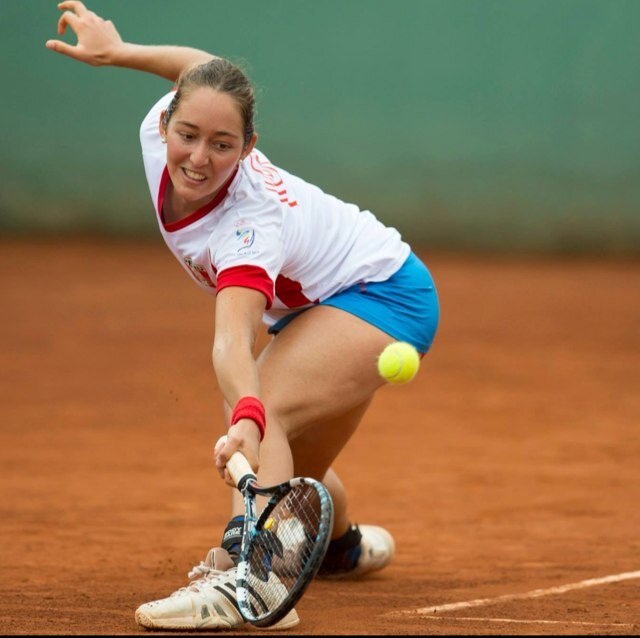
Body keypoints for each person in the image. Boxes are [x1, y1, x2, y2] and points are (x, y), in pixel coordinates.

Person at [47, 1, 440, 631]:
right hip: (316, 304)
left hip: (382, 294)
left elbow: (233, 341)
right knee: (295, 473)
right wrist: (118, 53)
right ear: (169, 120)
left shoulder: (248, 224)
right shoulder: (160, 129)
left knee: (271, 411)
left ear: (248, 145)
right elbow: (204, 68)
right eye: (189, 134)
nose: (200, 157)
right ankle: (337, 547)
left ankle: (250, 584)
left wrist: (250, 417)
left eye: (223, 144)